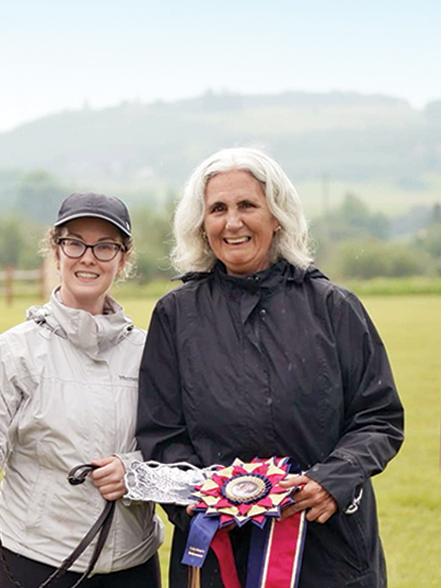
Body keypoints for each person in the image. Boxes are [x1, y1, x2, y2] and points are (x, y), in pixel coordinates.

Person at [136, 147, 404, 588]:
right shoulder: (175, 316)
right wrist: (203, 500)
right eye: (217, 208)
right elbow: (160, 433)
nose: (232, 222)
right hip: (217, 553)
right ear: (201, 225)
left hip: (327, 549)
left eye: (247, 205)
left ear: (277, 215)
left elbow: (378, 417)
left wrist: (330, 481)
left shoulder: (333, 308)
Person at [0, 192, 164, 588]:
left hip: (133, 564)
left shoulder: (149, 352)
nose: (88, 257)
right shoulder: (14, 352)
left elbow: (173, 450)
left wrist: (132, 471)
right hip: (37, 562)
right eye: (75, 242)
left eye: (104, 246)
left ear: (123, 258)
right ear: (57, 249)